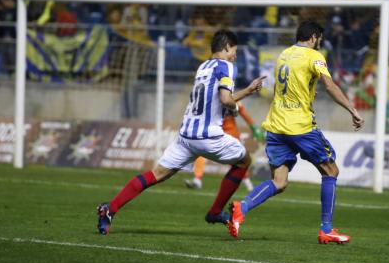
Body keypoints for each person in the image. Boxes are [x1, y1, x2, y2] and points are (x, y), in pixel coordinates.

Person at [97, 30, 266, 235]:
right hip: (208, 136)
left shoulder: (203, 67)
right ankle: (214, 212)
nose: (235, 55)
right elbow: (225, 99)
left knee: (156, 174)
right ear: (227, 47)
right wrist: (241, 99)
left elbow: (214, 98)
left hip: (186, 136)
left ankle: (110, 209)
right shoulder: (227, 66)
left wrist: (238, 99)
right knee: (244, 161)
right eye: (235, 50)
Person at [227, 20, 365, 244]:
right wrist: (352, 109)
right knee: (330, 171)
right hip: (300, 126)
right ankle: (326, 229)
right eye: (319, 39)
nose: (319, 43)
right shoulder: (314, 56)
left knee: (279, 181)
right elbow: (329, 85)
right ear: (312, 37)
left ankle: (241, 209)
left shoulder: (284, 54)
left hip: (276, 125)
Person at [184, 100, 265, 190]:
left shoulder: (230, 98)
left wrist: (253, 127)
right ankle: (197, 179)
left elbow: (242, 111)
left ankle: (248, 183)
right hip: (214, 131)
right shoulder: (210, 99)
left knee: (236, 160)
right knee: (200, 151)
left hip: (231, 133)